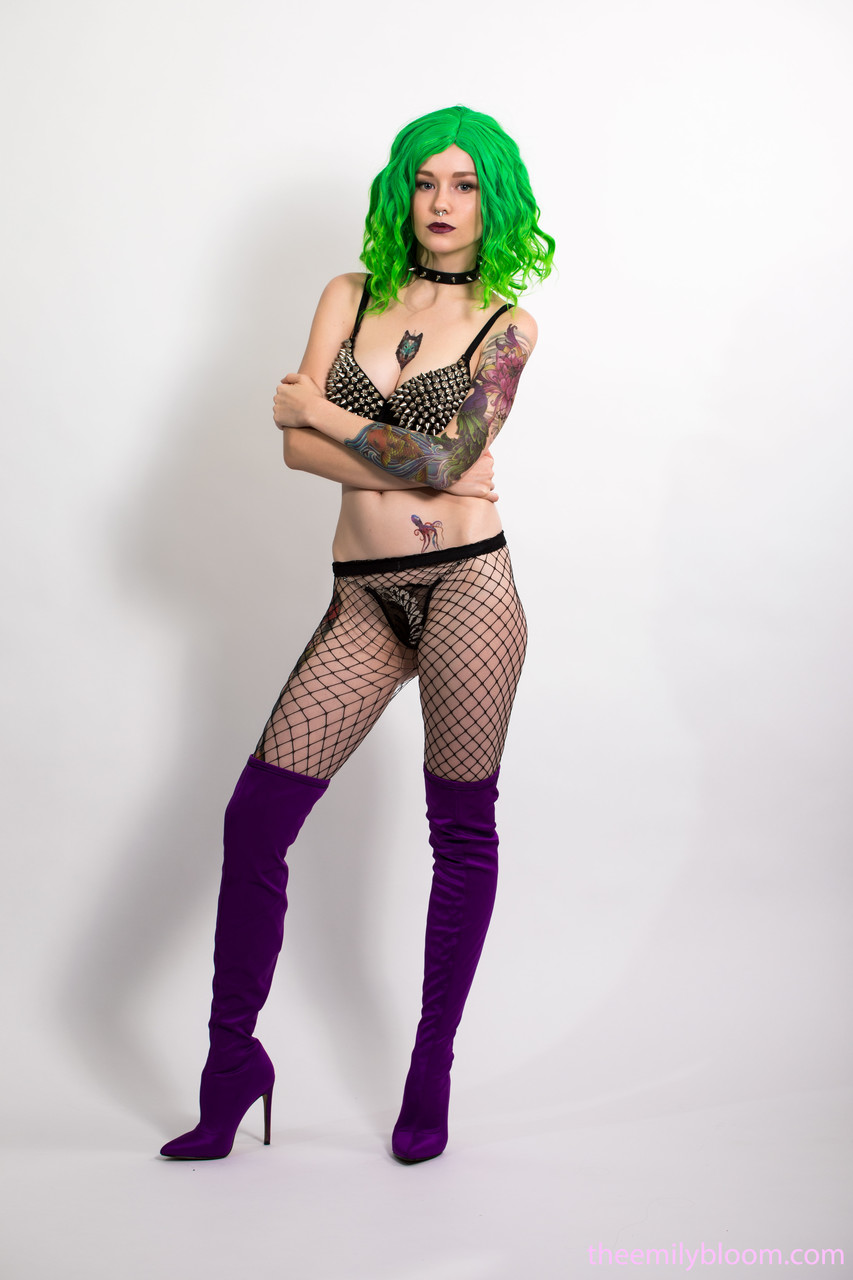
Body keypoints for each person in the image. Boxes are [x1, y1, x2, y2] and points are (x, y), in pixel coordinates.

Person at [160, 104, 554, 1164]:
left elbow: (411, 453)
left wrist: (325, 415)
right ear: (400, 191)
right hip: (365, 596)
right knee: (255, 821)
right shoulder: (348, 293)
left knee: (458, 834)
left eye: (465, 184)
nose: (441, 202)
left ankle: (430, 1067)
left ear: (494, 200)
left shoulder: (508, 327)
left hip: (468, 589)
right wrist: (416, 459)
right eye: (425, 181)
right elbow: (310, 455)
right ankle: (231, 1064)